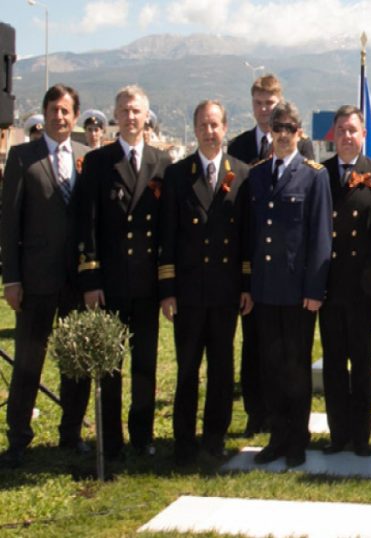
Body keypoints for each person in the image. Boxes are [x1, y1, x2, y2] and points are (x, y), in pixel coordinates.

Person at [77, 85, 172, 460]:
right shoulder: (99, 162)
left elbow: (167, 230)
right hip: (112, 282)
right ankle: (111, 438)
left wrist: (166, 284)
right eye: (125, 110)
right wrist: (91, 279)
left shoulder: (162, 163)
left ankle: (143, 435)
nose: (131, 117)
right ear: (115, 116)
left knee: (145, 364)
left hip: (147, 283)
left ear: (146, 116)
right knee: (110, 366)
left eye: (137, 111)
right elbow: (87, 225)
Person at [0, 84, 92, 468]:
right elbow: (9, 223)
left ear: (75, 116)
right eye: (53, 109)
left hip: (77, 281)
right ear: (45, 113)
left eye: (66, 110)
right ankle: (19, 438)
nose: (59, 116)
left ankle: (71, 434)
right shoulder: (23, 157)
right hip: (36, 279)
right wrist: (11, 279)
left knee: (76, 361)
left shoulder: (88, 157)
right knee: (28, 361)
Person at [158, 100, 251, 464]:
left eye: (215, 125)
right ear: (195, 129)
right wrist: (167, 290)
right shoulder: (178, 174)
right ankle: (183, 441)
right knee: (187, 369)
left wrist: (246, 285)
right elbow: (167, 236)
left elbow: (245, 237)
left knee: (222, 369)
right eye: (203, 125)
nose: (209, 132)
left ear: (225, 128)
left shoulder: (241, 173)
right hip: (189, 292)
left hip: (225, 291)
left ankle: (215, 437)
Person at [227, 73, 315, 437]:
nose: (265, 110)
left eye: (271, 104)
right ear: (252, 105)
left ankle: (290, 423)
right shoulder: (239, 147)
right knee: (255, 347)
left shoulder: (303, 150)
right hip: (258, 272)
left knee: (290, 352)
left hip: (290, 274)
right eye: (259, 103)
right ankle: (257, 412)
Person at [246, 102, 331, 468]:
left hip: (297, 293)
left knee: (296, 368)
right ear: (270, 131)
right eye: (277, 127)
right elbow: (251, 234)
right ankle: (277, 437)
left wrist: (314, 289)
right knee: (271, 366)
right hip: (265, 290)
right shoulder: (257, 174)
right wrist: (248, 284)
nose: (282, 134)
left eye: (289, 128)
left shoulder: (313, 175)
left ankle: (297, 439)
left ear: (299, 133)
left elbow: (321, 237)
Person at [318, 105, 371, 457]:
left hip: (362, 287)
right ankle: (338, 433)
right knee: (333, 364)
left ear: (363, 134)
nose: (347, 136)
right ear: (334, 134)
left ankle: (361, 435)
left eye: (353, 130)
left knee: (362, 365)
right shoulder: (319, 173)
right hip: (329, 285)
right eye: (342, 130)